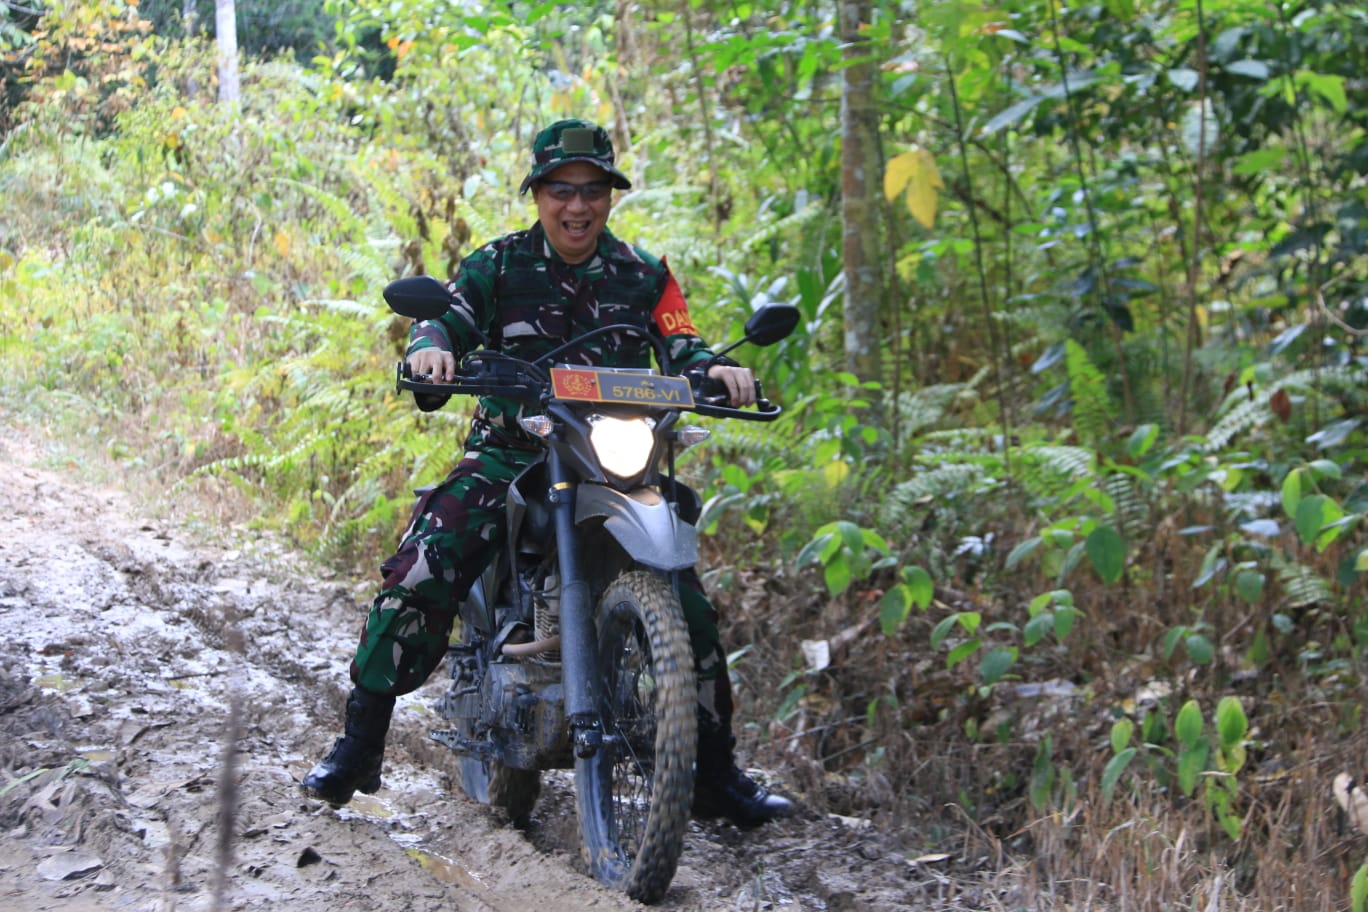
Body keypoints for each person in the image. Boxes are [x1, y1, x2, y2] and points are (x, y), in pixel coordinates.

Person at [301, 119, 794, 827]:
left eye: (594, 190)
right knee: (420, 568)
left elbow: (683, 341)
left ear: (610, 199)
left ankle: (713, 773)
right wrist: (432, 351)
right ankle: (359, 744)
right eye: (562, 189)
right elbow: (443, 322)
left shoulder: (644, 275)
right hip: (512, 456)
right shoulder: (497, 266)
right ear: (538, 193)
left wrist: (716, 367)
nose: (578, 205)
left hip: (612, 462)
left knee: (688, 606)